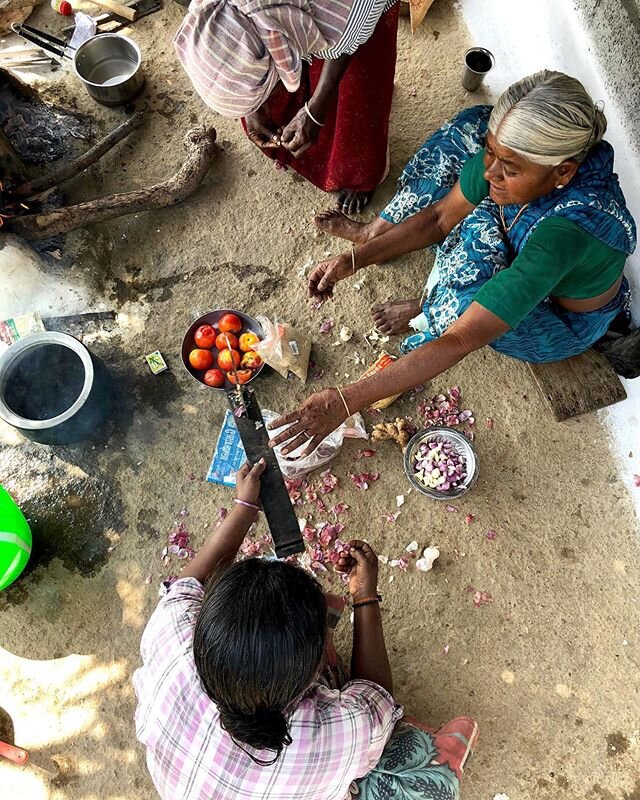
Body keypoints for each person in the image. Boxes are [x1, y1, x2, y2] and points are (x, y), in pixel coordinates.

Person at [267, 71, 637, 456]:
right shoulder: (522, 167)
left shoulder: (567, 233)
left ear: (563, 171)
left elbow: (461, 339)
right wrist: (353, 259)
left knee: (467, 268)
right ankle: (374, 235)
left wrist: (345, 401)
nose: (492, 171)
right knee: (466, 133)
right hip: (532, 252)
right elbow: (440, 218)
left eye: (509, 168)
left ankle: (430, 306)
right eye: (493, 153)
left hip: (556, 322)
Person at [134, 460, 478, 800]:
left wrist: (244, 508)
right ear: (315, 672)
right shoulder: (331, 737)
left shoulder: (175, 634)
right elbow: (376, 698)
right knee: (427, 781)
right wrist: (364, 597)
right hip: (302, 771)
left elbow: (192, 581)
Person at [174, 0, 400, 213]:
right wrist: (252, 108)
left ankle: (359, 173)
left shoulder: (348, 13)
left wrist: (316, 111)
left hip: (353, 12)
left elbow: (347, 38)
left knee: (357, 84)